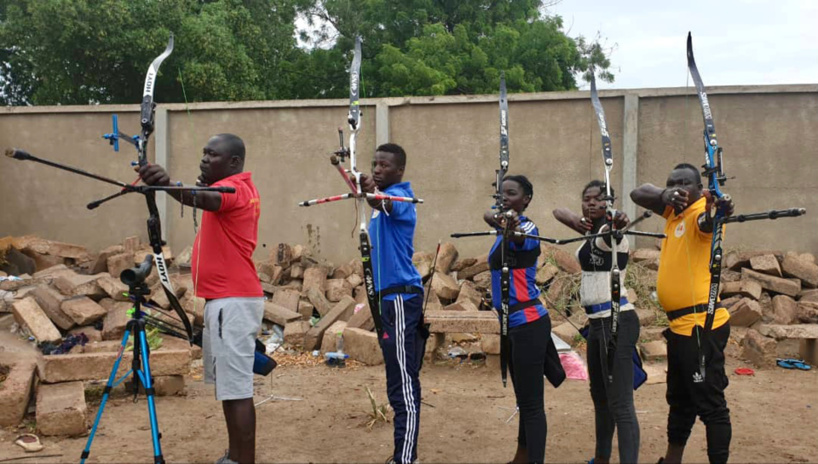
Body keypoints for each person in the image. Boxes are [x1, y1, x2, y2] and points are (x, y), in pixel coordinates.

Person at [137, 133, 263, 464]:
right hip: (224, 302)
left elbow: (202, 199)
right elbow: (201, 196)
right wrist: (179, 188)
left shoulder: (236, 188)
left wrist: (167, 185)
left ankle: (242, 460)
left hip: (232, 302)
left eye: (213, 155)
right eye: (204, 153)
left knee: (237, 390)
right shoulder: (225, 188)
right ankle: (234, 455)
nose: (205, 159)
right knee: (228, 387)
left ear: (234, 162)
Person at [630, 163, 735, 464]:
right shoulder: (674, 211)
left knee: (710, 403)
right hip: (680, 328)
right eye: (672, 182)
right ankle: (671, 459)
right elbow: (638, 193)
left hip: (701, 325)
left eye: (684, 184)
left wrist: (717, 208)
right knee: (679, 400)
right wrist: (665, 194)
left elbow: (708, 222)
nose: (678, 188)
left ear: (700, 189)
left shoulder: (702, 211)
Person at [553, 180, 640, 464]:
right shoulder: (589, 233)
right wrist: (580, 221)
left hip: (617, 321)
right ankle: (602, 458)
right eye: (586, 199)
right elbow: (558, 211)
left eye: (598, 199)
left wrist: (617, 220)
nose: (591, 203)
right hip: (596, 325)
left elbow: (614, 232)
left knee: (620, 404)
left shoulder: (610, 234)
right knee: (600, 398)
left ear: (610, 203)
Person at [359, 143, 425, 464]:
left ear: (399, 170)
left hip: (401, 298)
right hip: (390, 300)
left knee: (403, 381)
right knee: (396, 378)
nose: (378, 169)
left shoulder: (401, 199)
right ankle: (402, 455)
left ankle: (405, 458)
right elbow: (373, 197)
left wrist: (371, 190)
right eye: (375, 164)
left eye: (384, 165)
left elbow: (383, 202)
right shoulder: (381, 200)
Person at [483, 175, 553, 464]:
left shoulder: (527, 227)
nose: (505, 197)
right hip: (511, 324)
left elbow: (520, 239)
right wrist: (502, 220)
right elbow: (488, 214)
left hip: (528, 324)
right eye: (501, 193)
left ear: (526, 200)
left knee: (532, 404)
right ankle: (521, 457)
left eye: (512, 193)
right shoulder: (502, 227)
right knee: (524, 400)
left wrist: (509, 226)